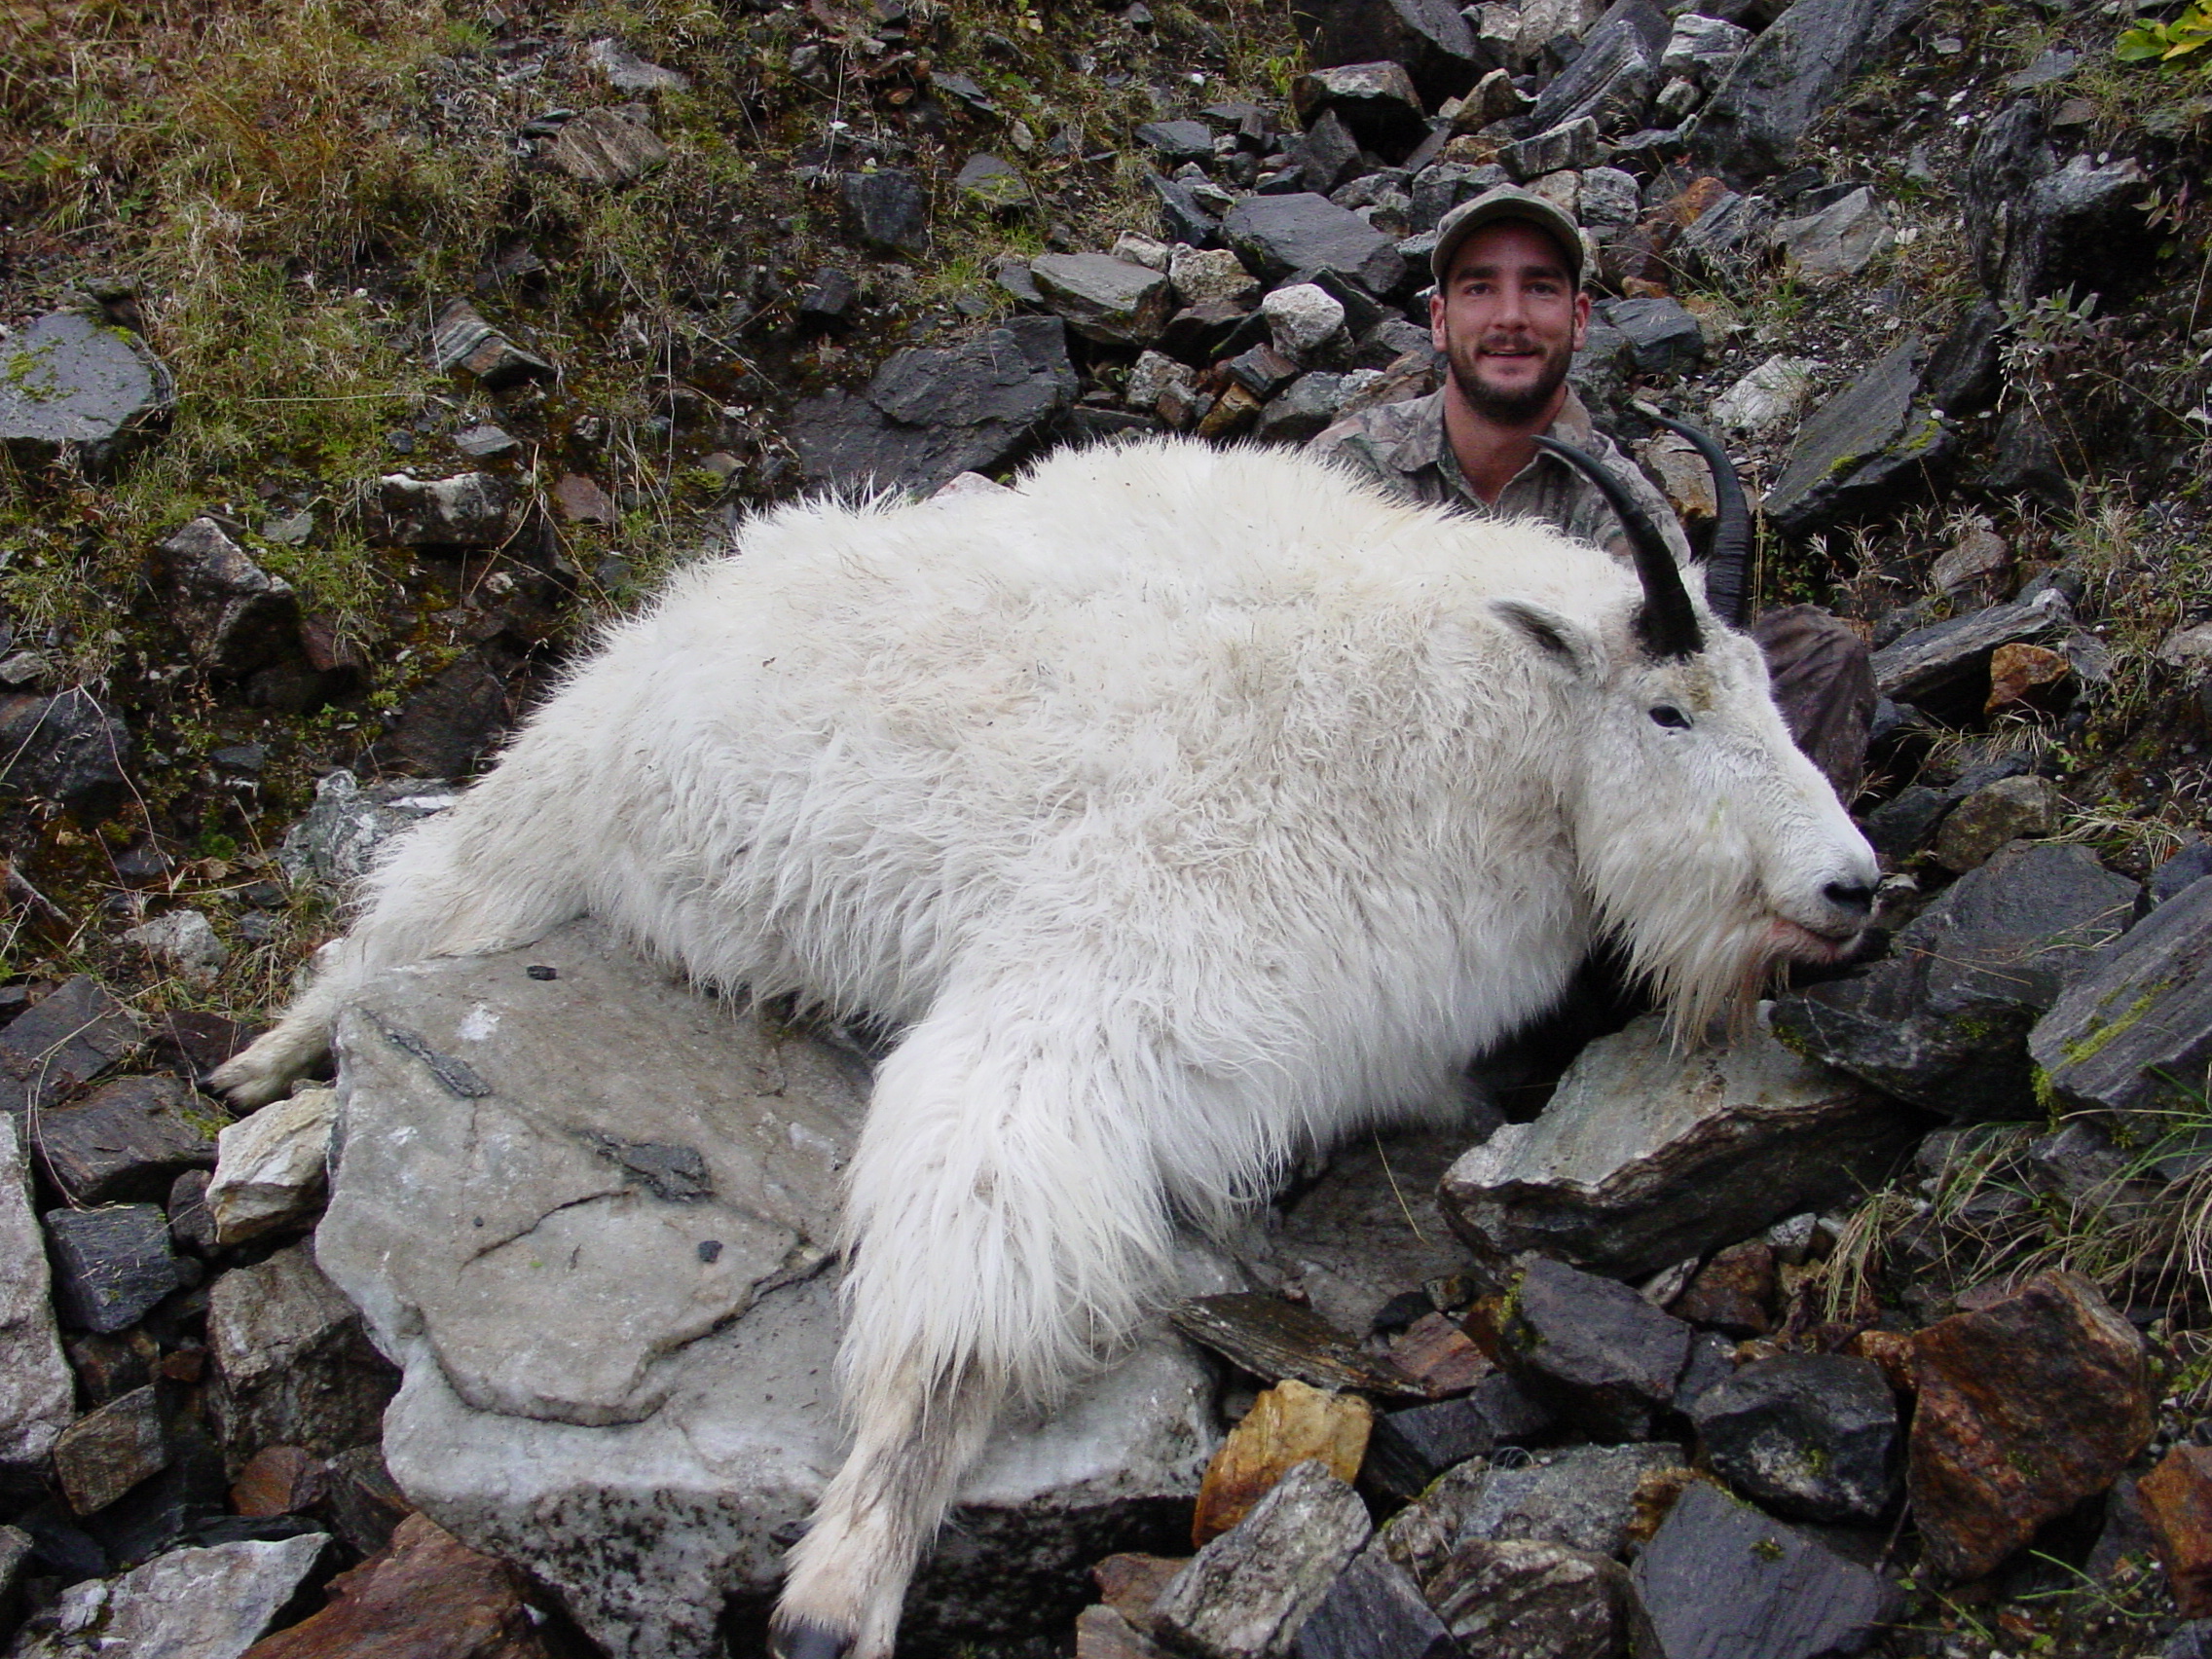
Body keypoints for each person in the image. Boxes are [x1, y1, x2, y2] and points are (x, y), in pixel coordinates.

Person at [1309, 185, 1875, 795]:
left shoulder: (1622, 510)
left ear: (1578, 321)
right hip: (1379, 772)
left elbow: (1676, 689)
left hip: (1561, 784)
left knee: (1816, 653)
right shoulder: (1345, 468)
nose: (1510, 318)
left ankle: (1766, 875)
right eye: (1479, 288)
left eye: (1540, 288)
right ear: (1441, 321)